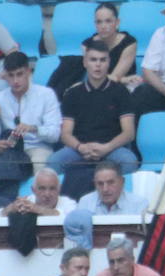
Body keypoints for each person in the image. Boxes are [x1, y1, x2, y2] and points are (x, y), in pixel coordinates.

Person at [48, 39, 138, 201]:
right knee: (53, 163)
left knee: (129, 162)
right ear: (85, 62)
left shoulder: (121, 92)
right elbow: (66, 134)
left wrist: (106, 148)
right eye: (93, 60)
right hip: (80, 149)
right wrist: (80, 147)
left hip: (112, 149)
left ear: (109, 62)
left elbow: (129, 133)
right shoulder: (72, 94)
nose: (98, 65)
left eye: (102, 60)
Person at [0, 50, 59, 186]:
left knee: (40, 166)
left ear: (28, 72)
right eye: (11, 76)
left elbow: (55, 134)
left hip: (38, 146)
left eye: (19, 74)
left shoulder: (46, 95)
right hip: (9, 149)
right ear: (5, 76)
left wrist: (34, 129)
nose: (15, 81)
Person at [76, 160, 148, 215]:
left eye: (110, 182)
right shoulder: (85, 202)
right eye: (100, 183)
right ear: (94, 184)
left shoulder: (139, 204)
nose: (105, 189)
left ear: (122, 182)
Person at [3, 166, 76, 216]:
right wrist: (11, 208)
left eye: (52, 188)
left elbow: (70, 217)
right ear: (33, 190)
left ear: (59, 189)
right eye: (42, 188)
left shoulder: (69, 203)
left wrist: (38, 209)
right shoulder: (27, 202)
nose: (47, 194)